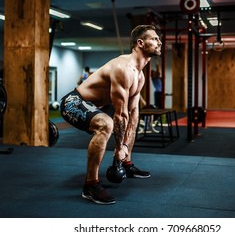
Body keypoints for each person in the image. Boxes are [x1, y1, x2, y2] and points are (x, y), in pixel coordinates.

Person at [60, 25, 162, 204]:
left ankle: (127, 164)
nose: (159, 42)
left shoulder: (140, 76)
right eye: (154, 38)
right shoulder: (123, 68)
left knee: (135, 114)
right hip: (73, 102)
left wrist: (122, 152)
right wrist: (118, 148)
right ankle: (90, 185)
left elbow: (131, 113)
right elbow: (121, 115)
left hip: (97, 105)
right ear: (140, 43)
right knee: (106, 124)